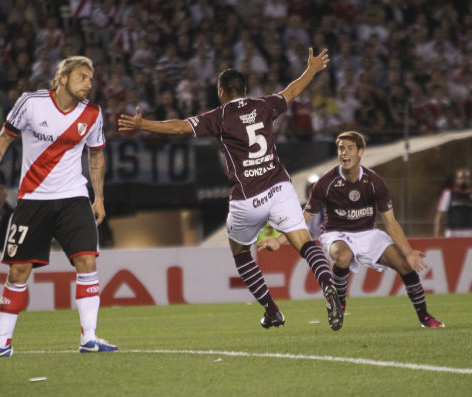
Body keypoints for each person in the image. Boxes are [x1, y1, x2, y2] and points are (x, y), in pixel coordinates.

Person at [119, 48, 344, 331]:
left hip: (247, 198)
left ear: (222, 92)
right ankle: (328, 284)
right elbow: (290, 91)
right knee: (304, 242)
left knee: (240, 252)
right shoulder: (264, 105)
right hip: (279, 187)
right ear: (246, 89)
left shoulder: (220, 116)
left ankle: (272, 311)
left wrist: (144, 124)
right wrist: (311, 70)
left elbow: (179, 128)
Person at [0, 55, 118, 359]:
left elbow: (97, 156)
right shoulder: (31, 103)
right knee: (19, 270)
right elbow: (2, 142)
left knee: (87, 262)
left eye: (91, 79)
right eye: (82, 77)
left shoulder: (92, 114)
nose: (89, 84)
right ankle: (1, 343)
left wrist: (98, 197)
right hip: (33, 199)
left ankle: (89, 338)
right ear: (62, 78)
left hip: (74, 197)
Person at [259, 131, 444, 328]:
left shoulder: (375, 182)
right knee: (344, 256)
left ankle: (425, 317)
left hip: (368, 233)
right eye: (341, 149)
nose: (345, 153)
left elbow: (390, 222)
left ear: (360, 152)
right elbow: (303, 218)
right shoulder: (325, 182)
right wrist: (279, 241)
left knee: (405, 266)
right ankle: (339, 301)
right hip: (335, 233)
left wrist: (407, 251)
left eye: (350, 148)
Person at [433, 168, 472, 237]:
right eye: (461, 178)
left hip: (469, 231)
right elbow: (441, 214)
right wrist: (437, 233)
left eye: (466, 178)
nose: (463, 180)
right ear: (457, 180)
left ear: (469, 180)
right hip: (452, 231)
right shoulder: (449, 193)